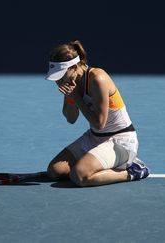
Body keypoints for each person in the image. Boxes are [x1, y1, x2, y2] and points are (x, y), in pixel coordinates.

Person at [45, 40, 149, 187]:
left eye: (61, 75)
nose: (59, 80)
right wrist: (70, 97)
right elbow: (71, 119)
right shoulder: (72, 83)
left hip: (120, 141)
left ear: (74, 67)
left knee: (79, 176)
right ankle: (97, 163)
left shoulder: (98, 78)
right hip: (94, 138)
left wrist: (76, 98)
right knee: (54, 171)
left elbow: (99, 124)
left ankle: (132, 171)